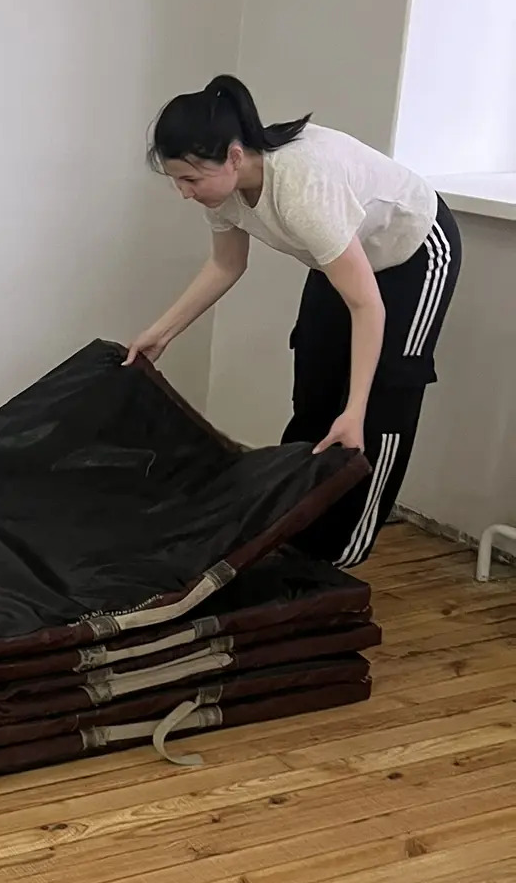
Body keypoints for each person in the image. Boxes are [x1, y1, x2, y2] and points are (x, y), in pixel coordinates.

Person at [128, 75, 460, 570]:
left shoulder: (304, 189)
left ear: (234, 156)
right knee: (314, 392)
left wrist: (355, 408)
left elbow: (368, 306)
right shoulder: (224, 193)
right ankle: (293, 529)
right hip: (342, 255)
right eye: (177, 180)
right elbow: (226, 265)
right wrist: (161, 333)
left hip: (412, 253)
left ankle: (339, 556)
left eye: (191, 180)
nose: (184, 193)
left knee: (381, 399)